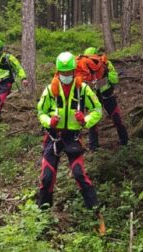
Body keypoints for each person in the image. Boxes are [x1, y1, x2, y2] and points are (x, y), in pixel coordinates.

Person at [36, 52, 105, 234]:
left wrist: (85, 121)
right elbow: (41, 111)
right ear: (57, 72)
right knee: (47, 177)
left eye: (69, 73)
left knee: (79, 174)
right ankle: (41, 220)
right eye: (62, 73)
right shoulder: (51, 89)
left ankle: (97, 217)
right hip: (53, 137)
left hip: (73, 138)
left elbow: (97, 109)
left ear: (74, 71)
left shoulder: (83, 89)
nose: (66, 76)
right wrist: (48, 121)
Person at [82, 47, 129, 151]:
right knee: (116, 118)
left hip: (93, 98)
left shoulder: (83, 67)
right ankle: (125, 141)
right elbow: (114, 79)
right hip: (107, 95)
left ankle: (93, 146)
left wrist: (95, 85)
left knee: (93, 121)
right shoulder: (105, 63)